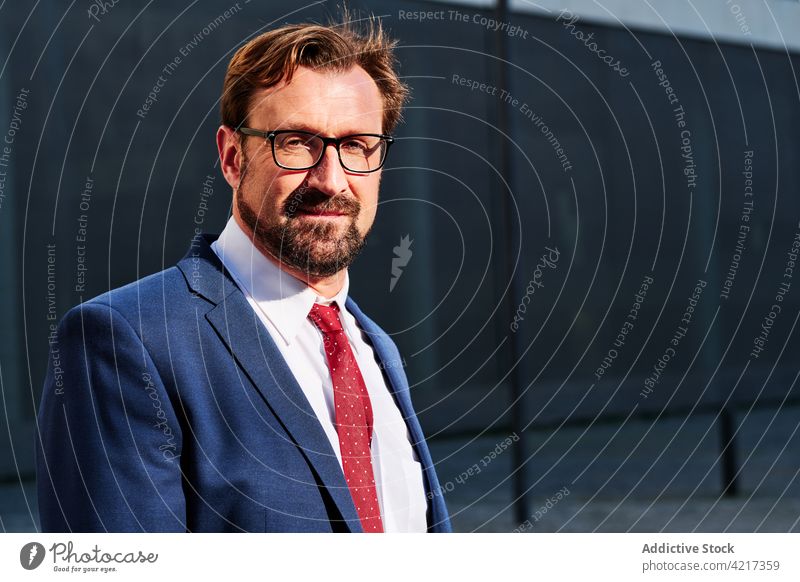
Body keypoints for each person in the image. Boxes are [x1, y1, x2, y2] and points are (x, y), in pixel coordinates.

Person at [36, 17, 451, 533]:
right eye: (297, 142)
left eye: (357, 145)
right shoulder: (125, 342)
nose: (332, 179)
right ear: (233, 158)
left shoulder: (374, 348)